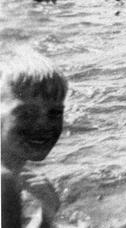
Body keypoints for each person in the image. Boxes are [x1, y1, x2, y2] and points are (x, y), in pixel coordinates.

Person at [1, 49, 68, 228]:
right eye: (27, 113)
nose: (43, 125)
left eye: (54, 113)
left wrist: (46, 213)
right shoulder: (4, 180)